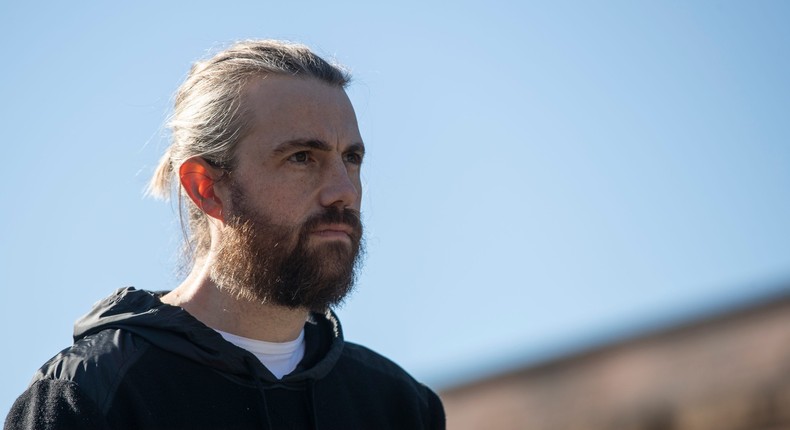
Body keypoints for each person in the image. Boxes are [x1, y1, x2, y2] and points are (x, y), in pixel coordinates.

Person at [5, 39, 445, 430]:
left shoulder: (400, 407)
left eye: (350, 158)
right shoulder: (94, 394)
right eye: (301, 157)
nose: (344, 192)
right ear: (205, 188)